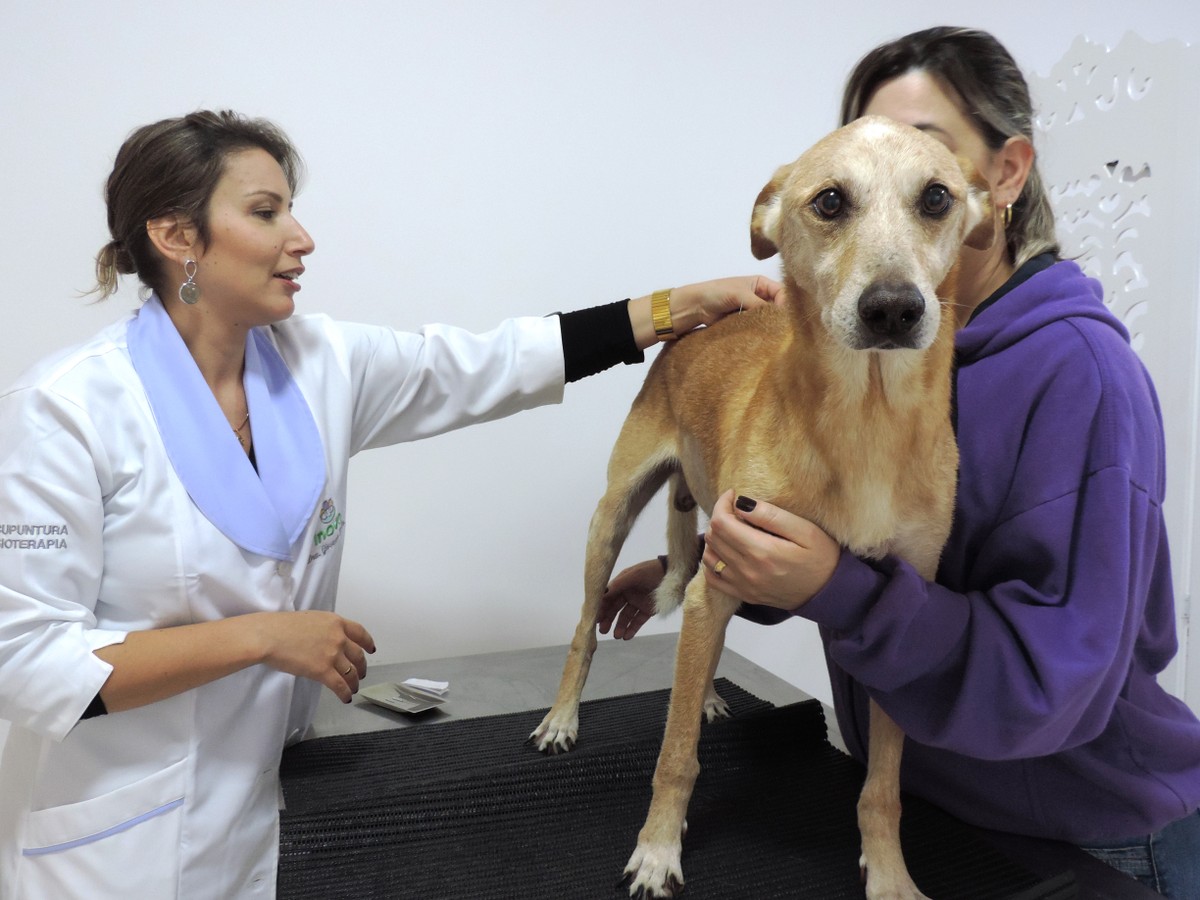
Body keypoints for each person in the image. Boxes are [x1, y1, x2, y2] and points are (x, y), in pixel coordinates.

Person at [0, 109, 780, 898]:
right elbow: (26, 665)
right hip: (113, 846)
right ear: (177, 238)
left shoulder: (318, 362)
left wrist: (675, 307)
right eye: (266, 212)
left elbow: (484, 365)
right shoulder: (66, 410)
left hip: (269, 809)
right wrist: (260, 637)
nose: (301, 238)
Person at [599, 26, 1200, 898]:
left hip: (1085, 837)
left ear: (1000, 180)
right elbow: (868, 549)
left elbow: (1054, 689)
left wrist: (833, 590)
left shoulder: (1084, 378)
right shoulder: (887, 366)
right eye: (843, 197)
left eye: (927, 189)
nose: (887, 264)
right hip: (923, 808)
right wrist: (735, 566)